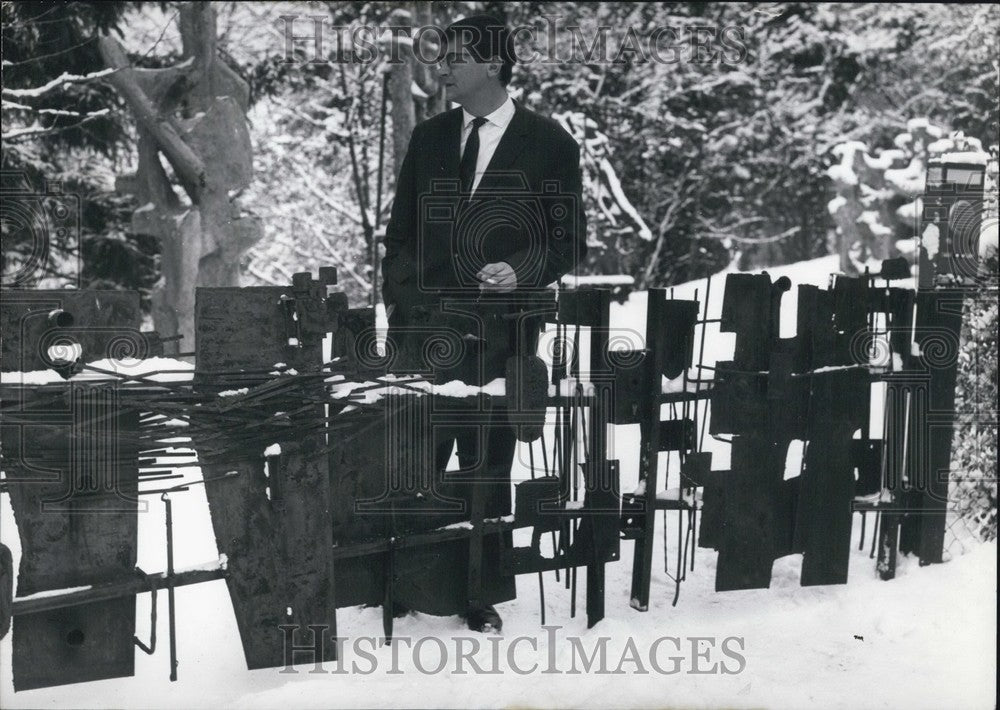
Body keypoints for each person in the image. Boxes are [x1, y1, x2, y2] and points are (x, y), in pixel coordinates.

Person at [380, 14, 587, 632]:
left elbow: (568, 241)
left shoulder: (550, 144)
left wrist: (521, 270)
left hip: (502, 334)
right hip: (425, 332)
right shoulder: (430, 138)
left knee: (485, 462)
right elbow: (400, 236)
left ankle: (477, 589)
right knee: (413, 455)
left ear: (493, 64)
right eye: (440, 59)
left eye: (454, 58)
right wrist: (404, 308)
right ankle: (403, 579)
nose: (441, 68)